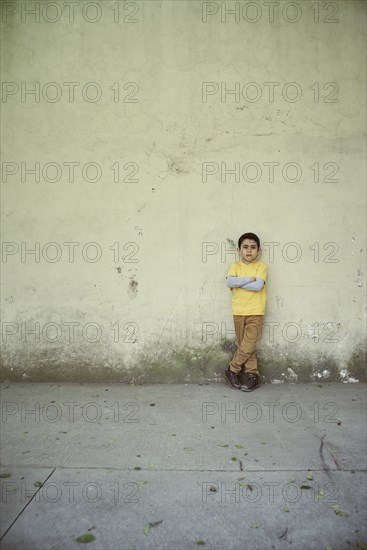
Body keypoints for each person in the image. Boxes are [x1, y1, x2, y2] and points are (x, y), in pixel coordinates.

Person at [224, 232, 267, 392]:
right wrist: (249, 279)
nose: (249, 251)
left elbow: (258, 286)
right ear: (239, 250)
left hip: (256, 311)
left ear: (259, 250)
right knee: (246, 345)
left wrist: (238, 282)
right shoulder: (235, 266)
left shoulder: (261, 267)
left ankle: (233, 369)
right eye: (245, 247)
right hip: (238, 311)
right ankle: (252, 375)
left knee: (248, 344)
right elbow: (229, 281)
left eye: (253, 247)